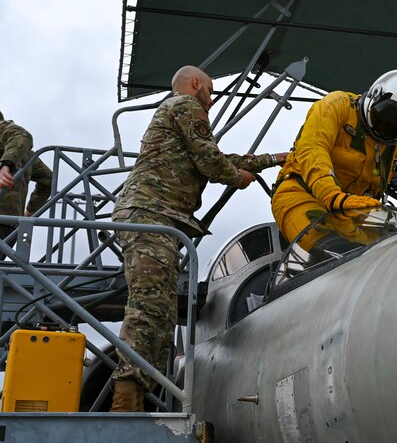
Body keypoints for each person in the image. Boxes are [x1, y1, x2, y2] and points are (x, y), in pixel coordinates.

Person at [110, 65, 288, 412]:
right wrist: (237, 178)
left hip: (157, 218)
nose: (212, 98)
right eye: (210, 90)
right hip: (150, 216)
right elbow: (212, 162)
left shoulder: (176, 114)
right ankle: (125, 402)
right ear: (196, 84)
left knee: (161, 312)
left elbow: (215, 158)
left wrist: (273, 159)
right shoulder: (185, 106)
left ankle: (141, 396)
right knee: (148, 307)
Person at [271, 69, 397, 250]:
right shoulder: (337, 105)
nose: (390, 127)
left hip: (352, 209)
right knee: (328, 248)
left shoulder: (393, 143)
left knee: (395, 252)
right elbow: (313, 148)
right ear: (375, 95)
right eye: (386, 117)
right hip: (303, 194)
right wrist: (331, 195)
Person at [0, 112, 52, 244]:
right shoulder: (28, 156)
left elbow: (23, 136)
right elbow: (49, 180)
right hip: (10, 224)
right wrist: (30, 211)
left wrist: (5, 165)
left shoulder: (8, 133)